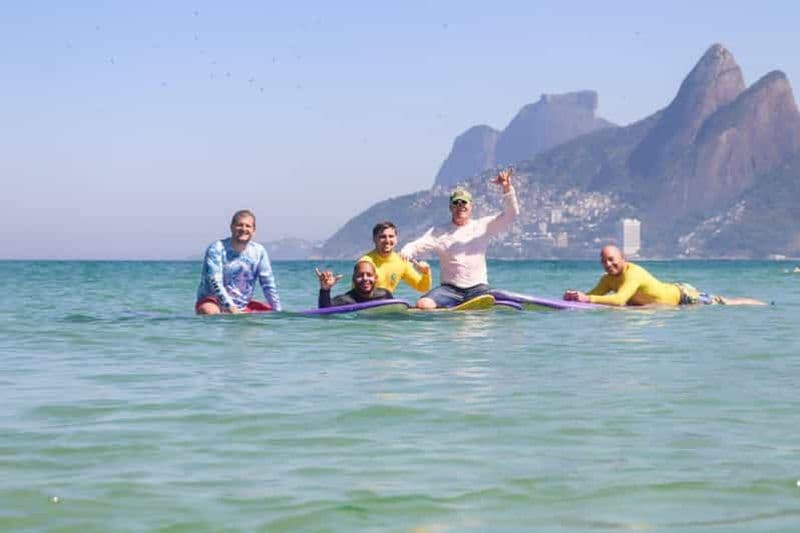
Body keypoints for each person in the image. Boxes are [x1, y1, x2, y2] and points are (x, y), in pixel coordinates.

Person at [399, 167, 519, 309]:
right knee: (423, 304)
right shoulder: (439, 232)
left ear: (471, 206)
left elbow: (511, 214)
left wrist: (507, 188)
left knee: (499, 301)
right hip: (449, 290)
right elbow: (418, 245)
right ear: (450, 207)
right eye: (456, 203)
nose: (460, 206)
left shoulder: (483, 226)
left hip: (478, 289)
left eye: (464, 203)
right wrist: (406, 250)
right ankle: (447, 313)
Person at [563, 245, 765, 306]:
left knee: (726, 303)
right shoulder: (606, 280)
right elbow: (591, 297)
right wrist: (575, 297)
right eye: (604, 261)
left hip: (684, 297)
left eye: (612, 259)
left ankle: (760, 304)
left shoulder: (634, 274)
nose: (608, 264)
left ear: (623, 258)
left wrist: (587, 298)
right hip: (672, 295)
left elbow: (618, 300)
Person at [195, 209, 282, 314]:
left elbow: (268, 284)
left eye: (248, 226)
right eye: (239, 225)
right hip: (213, 301)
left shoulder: (259, 251)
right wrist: (230, 307)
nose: (243, 229)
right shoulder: (217, 248)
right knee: (209, 311)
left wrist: (278, 312)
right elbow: (215, 281)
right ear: (231, 227)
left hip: (243, 305)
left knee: (269, 312)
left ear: (254, 230)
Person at [358, 221, 432, 294]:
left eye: (391, 236)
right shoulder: (365, 263)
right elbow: (357, 293)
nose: (387, 240)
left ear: (396, 239)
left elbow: (422, 287)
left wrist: (425, 273)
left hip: (387, 302)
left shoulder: (401, 261)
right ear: (374, 239)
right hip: (368, 303)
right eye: (382, 237)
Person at [315, 260, 393, 308]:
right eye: (360, 275)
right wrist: (325, 289)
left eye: (369, 275)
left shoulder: (385, 295)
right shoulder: (345, 300)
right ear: (353, 279)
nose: (365, 278)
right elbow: (325, 311)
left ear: (376, 278)